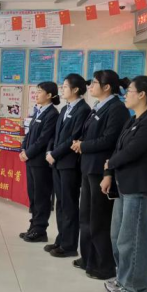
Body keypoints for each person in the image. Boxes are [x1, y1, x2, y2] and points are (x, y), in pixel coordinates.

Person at [102, 76, 147, 292]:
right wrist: (109, 171)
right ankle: (123, 280)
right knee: (118, 237)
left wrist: (110, 163)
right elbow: (119, 147)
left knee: (134, 240)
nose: (125, 95)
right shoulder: (134, 120)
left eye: (129, 91)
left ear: (141, 95)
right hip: (125, 186)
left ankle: (137, 291)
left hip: (141, 188)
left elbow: (132, 151)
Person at [71, 70, 130, 280]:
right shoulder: (98, 105)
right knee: (86, 216)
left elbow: (110, 140)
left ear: (107, 87)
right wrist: (80, 142)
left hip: (100, 169)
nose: (90, 86)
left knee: (99, 219)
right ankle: (88, 258)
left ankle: (104, 265)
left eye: (95, 83)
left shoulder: (117, 109)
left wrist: (83, 145)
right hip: (88, 167)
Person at [45, 74, 91, 257]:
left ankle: (69, 245)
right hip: (57, 162)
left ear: (76, 89)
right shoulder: (65, 108)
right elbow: (56, 135)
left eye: (65, 86)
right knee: (60, 204)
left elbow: (74, 137)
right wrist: (50, 152)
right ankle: (61, 239)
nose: (62, 89)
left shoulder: (83, 109)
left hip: (70, 163)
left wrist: (55, 154)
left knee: (69, 204)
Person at [19, 82, 60, 243]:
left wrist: (28, 153)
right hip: (31, 161)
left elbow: (43, 139)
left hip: (41, 163)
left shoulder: (52, 114)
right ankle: (33, 226)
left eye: (40, 91)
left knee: (41, 196)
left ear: (49, 95)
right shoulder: (38, 111)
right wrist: (23, 149)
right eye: (36, 91)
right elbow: (29, 134)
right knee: (33, 196)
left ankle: (40, 230)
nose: (36, 94)